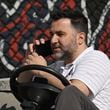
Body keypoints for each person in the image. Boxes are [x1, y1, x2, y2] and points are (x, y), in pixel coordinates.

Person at [18, 9, 110, 110]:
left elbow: (77, 92)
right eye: (51, 35)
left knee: (69, 91)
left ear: (80, 38)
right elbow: (20, 89)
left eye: (60, 34)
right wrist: (30, 63)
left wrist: (42, 72)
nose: (53, 40)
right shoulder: (57, 67)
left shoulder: (96, 58)